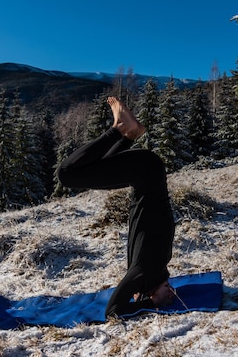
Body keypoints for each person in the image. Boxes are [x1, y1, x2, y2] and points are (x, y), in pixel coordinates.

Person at [57, 96, 176, 318]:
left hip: (145, 174)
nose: (171, 293)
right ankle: (124, 129)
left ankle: (127, 133)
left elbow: (113, 311)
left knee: (71, 174)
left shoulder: (142, 274)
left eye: (168, 296)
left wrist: (151, 303)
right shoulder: (157, 270)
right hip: (147, 172)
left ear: (143, 293)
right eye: (172, 293)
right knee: (72, 174)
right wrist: (157, 298)